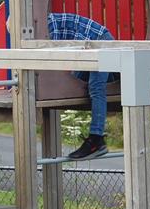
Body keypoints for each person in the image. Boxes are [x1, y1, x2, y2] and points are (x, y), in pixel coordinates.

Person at [46, 12, 116, 160]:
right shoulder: (43, 24)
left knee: (96, 87)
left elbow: (52, 58)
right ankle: (112, 77)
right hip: (87, 47)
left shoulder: (47, 27)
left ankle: (96, 140)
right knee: (76, 85)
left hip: (100, 42)